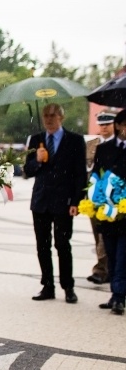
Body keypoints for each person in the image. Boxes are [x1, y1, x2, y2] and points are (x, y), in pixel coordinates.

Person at [23, 103, 87, 303]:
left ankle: (68, 286)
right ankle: (47, 285)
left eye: (52, 115)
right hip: (41, 200)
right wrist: (38, 160)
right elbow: (27, 170)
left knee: (62, 244)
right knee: (42, 245)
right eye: (45, 116)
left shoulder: (75, 141)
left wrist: (76, 200)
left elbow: (80, 174)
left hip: (63, 201)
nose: (49, 119)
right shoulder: (37, 140)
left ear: (61, 117)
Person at [95, 109, 126, 315]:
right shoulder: (104, 149)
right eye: (123, 125)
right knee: (112, 254)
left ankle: (118, 296)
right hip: (108, 211)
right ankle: (116, 294)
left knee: (123, 255)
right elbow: (96, 175)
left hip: (125, 212)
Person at [87, 110, 117, 285]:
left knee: (107, 236)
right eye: (102, 124)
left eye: (108, 124)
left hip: (114, 197)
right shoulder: (91, 145)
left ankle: (101, 269)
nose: (104, 127)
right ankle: (106, 268)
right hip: (93, 196)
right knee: (98, 234)